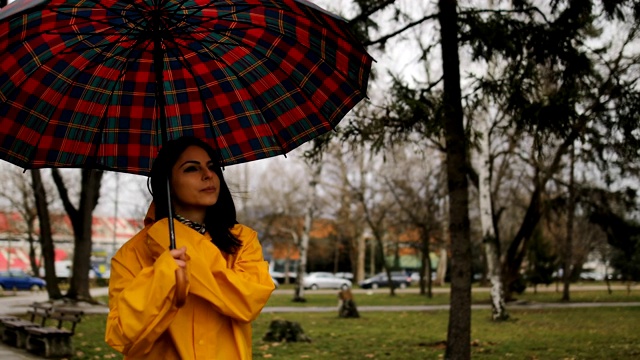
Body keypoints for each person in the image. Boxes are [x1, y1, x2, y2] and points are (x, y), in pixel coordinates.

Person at [105, 136, 275, 359]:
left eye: (212, 166)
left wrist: (186, 252)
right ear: (167, 182)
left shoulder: (242, 240)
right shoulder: (132, 253)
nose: (208, 175)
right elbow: (121, 336)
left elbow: (247, 303)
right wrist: (161, 278)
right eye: (191, 169)